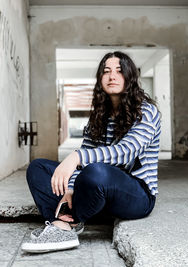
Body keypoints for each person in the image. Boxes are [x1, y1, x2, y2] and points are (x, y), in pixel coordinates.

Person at [21, 51, 161, 253]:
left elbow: (127, 152)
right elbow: (82, 166)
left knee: (95, 171)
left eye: (119, 71)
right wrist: (70, 188)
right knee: (38, 168)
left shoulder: (146, 111)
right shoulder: (99, 116)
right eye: (106, 71)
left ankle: (63, 225)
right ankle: (65, 221)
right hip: (99, 196)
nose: (112, 76)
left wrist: (76, 156)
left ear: (130, 77)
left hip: (136, 195)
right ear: (100, 79)